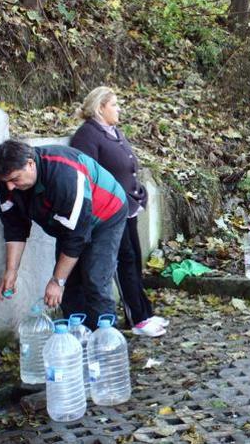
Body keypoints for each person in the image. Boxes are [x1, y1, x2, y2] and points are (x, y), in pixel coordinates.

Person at [0, 140, 128, 331]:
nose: (10, 187)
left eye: (15, 179)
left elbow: (75, 237)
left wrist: (57, 281)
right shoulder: (7, 182)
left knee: (95, 279)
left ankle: (105, 341)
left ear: (30, 164)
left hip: (106, 214)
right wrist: (11, 270)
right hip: (68, 223)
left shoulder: (64, 176)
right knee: (70, 282)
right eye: (6, 182)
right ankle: (76, 339)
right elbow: (15, 226)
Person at [69, 86, 169, 337]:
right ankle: (137, 319)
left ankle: (143, 312)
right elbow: (87, 176)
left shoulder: (113, 132)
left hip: (128, 207)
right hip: (108, 212)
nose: (118, 108)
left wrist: (138, 190)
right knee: (122, 262)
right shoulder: (87, 136)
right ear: (100, 107)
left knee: (133, 260)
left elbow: (127, 168)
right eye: (114, 104)